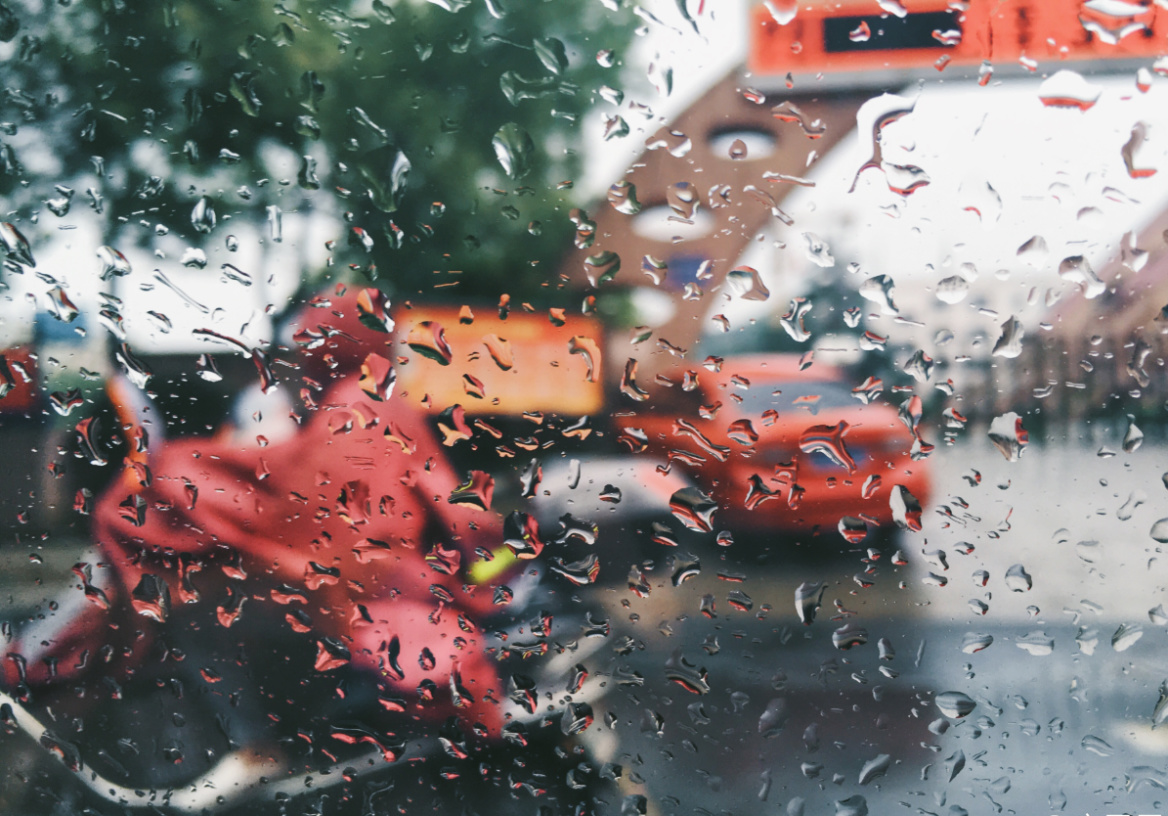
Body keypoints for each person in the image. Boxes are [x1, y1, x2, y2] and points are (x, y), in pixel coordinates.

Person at [2, 286, 518, 748]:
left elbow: (296, 500)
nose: (300, 360)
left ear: (339, 345)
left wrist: (195, 484)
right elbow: (467, 519)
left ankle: (47, 666)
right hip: (343, 594)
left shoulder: (357, 410)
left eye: (312, 346)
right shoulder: (361, 405)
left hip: (344, 600)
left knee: (162, 557)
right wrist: (490, 570)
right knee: (163, 557)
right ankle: (51, 664)